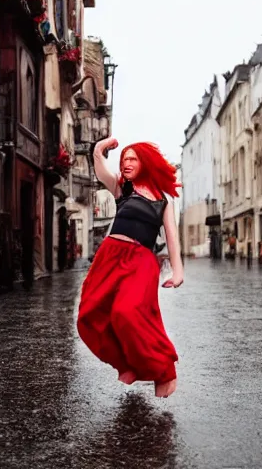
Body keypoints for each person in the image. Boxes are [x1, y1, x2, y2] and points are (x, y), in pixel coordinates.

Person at [77, 138, 184, 398]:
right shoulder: (123, 188)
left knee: (127, 312)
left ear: (145, 162)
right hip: (111, 255)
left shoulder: (163, 201)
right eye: (124, 158)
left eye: (132, 158)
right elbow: (100, 169)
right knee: (91, 314)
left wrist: (178, 271)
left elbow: (172, 237)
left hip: (141, 261)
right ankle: (126, 364)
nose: (126, 163)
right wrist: (99, 149)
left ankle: (164, 372)